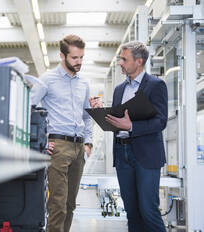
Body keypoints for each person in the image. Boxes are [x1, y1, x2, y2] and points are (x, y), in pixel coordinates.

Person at [89, 41, 167, 232]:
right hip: (122, 153)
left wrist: (131, 126)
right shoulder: (119, 90)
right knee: (131, 211)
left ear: (139, 61)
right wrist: (101, 112)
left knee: (148, 210)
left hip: (146, 155)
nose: (120, 63)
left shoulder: (156, 86)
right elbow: (117, 121)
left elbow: (160, 121)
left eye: (124, 59)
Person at [31, 34, 93, 232]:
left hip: (78, 147)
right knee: (57, 203)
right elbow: (28, 108)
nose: (79, 62)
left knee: (70, 204)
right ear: (62, 55)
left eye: (81, 57)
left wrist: (88, 142)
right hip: (58, 146)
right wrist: (41, 141)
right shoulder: (47, 80)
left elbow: (87, 115)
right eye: (75, 58)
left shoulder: (84, 83)